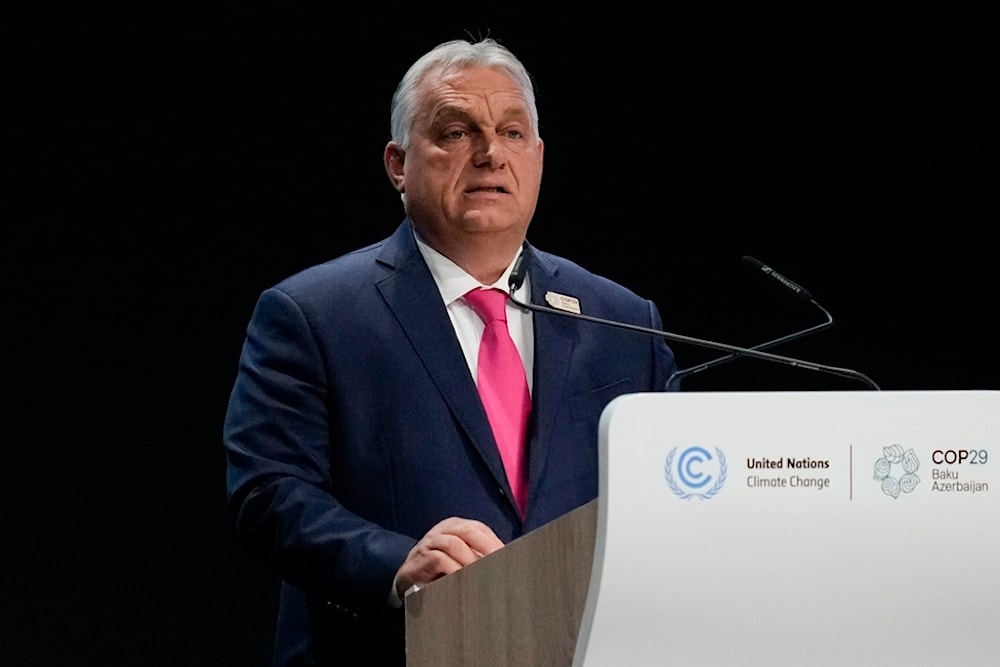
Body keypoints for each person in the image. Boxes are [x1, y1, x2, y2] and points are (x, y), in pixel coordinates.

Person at [223, 36, 678, 666]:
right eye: (457, 132)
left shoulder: (625, 322)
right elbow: (267, 494)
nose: (492, 154)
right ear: (398, 163)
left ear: (539, 158)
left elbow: (672, 497)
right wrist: (395, 565)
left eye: (513, 133)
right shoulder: (313, 316)